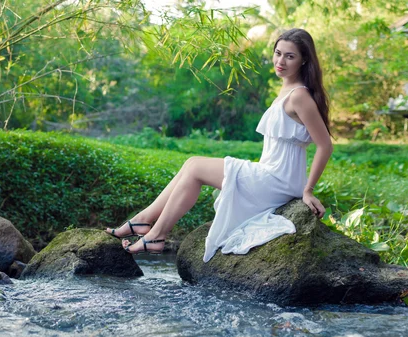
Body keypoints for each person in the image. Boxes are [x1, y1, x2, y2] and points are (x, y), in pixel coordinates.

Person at [105, 28, 333, 261]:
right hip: (269, 173)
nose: (280, 61)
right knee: (192, 162)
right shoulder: (285, 91)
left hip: (279, 180)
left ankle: (156, 234)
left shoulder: (299, 96)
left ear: (304, 60)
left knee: (195, 169)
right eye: (278, 53)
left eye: (290, 56)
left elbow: (325, 146)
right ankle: (143, 221)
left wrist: (308, 190)